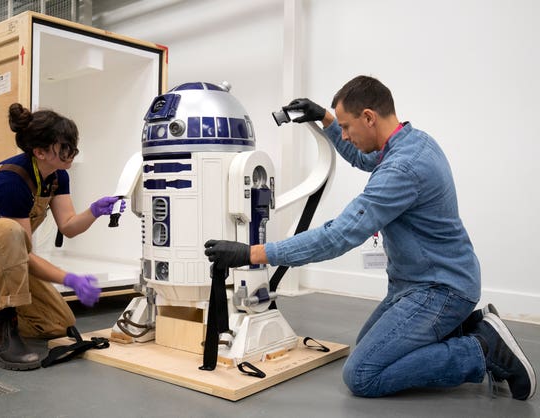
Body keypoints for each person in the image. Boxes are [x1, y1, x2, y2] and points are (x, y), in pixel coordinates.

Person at [204, 75, 536, 400]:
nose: (345, 136)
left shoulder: (403, 169)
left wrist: (252, 253)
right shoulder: (412, 141)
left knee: (363, 374)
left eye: (348, 127)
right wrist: (325, 118)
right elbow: (364, 158)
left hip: (440, 290)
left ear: (369, 117)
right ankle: (470, 328)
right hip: (421, 284)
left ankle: (482, 350)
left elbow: (338, 236)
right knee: (368, 347)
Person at [0, 103, 126, 371]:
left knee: (58, 324)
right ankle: (3, 333)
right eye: (64, 146)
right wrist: (69, 279)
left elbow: (68, 225)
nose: (72, 152)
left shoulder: (57, 177)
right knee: (8, 230)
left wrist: (94, 211)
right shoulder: (12, 182)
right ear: (40, 152)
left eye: (73, 144)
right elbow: (21, 252)